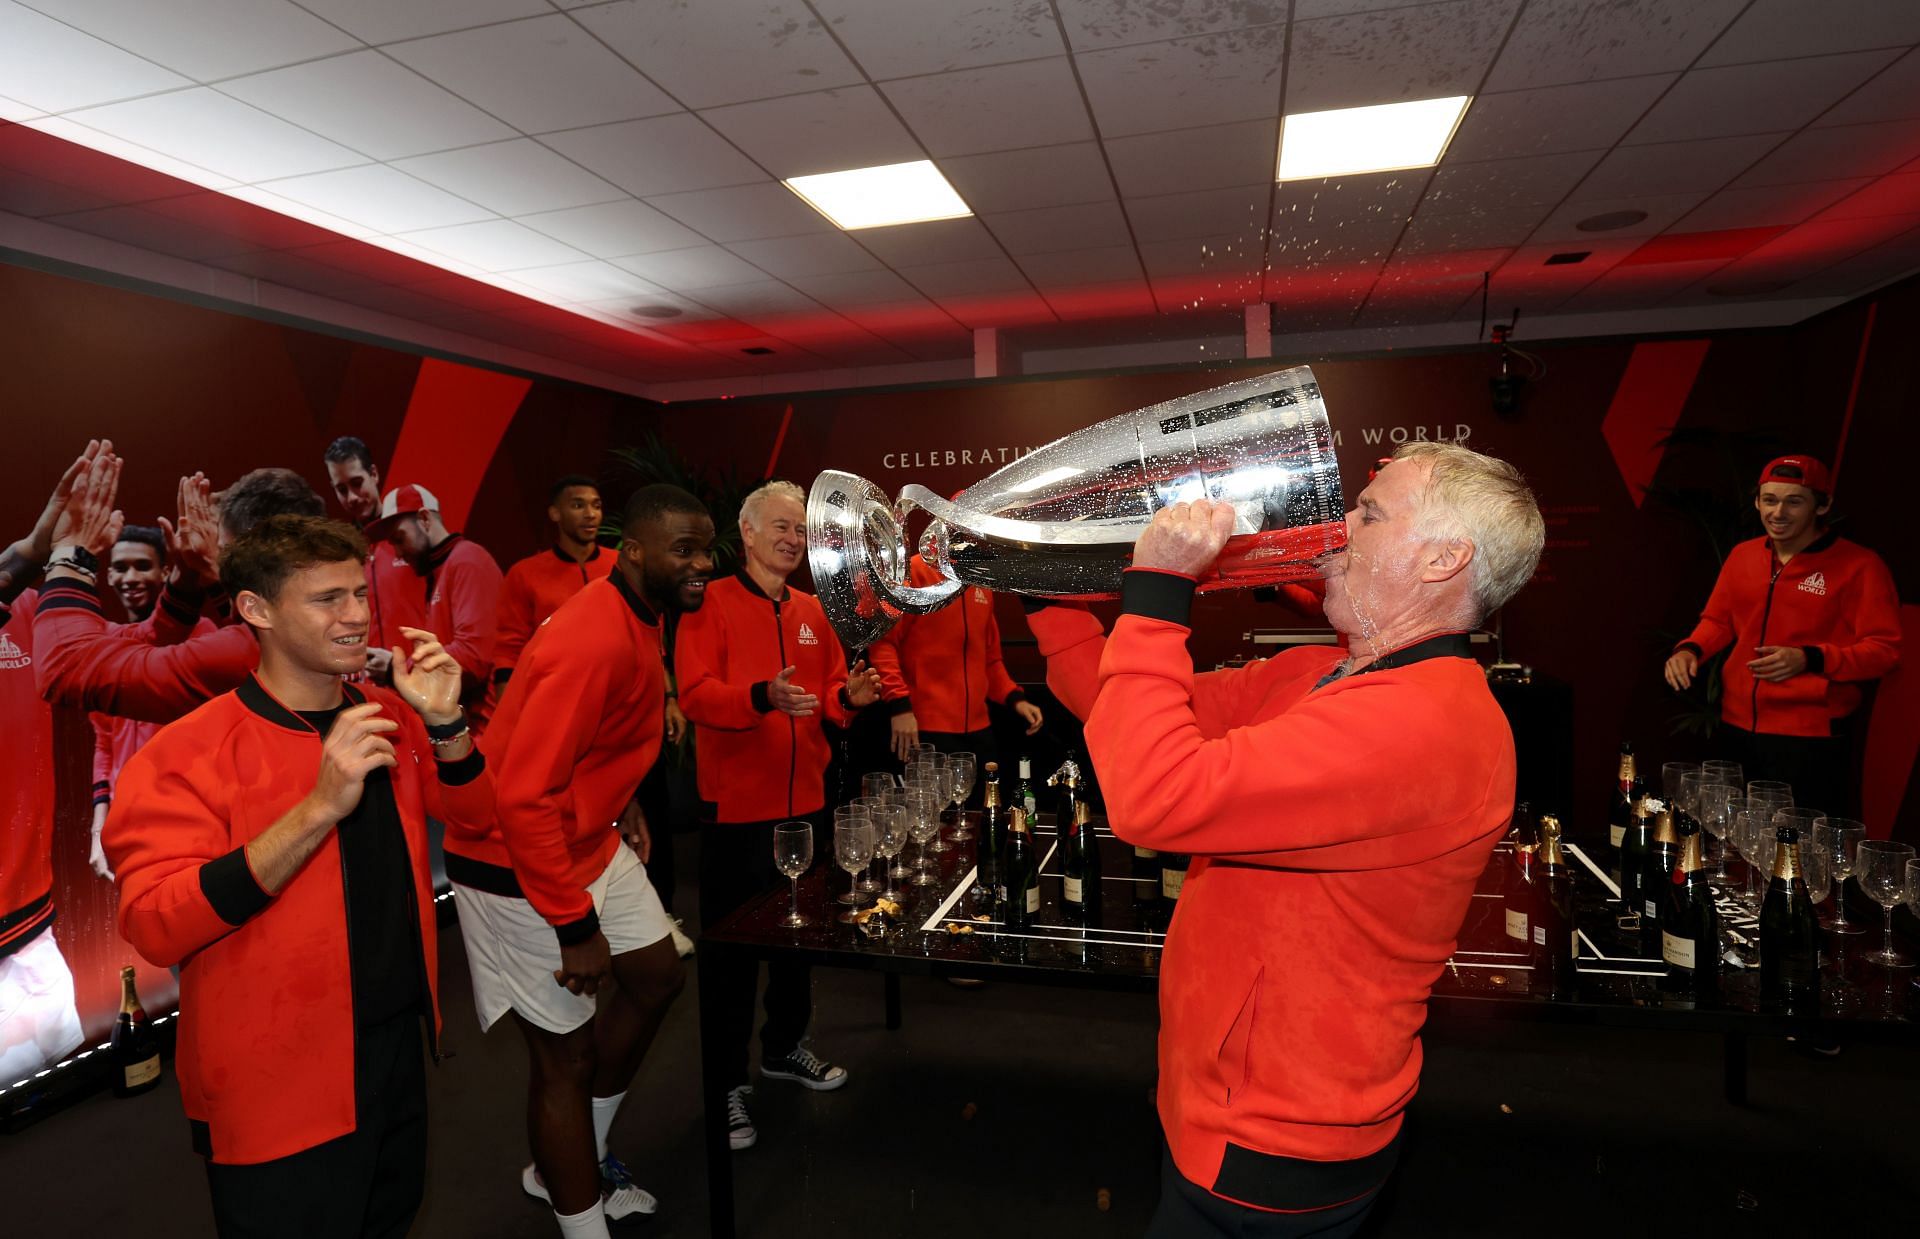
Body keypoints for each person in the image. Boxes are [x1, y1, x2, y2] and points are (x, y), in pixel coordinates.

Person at [1026, 442, 1544, 1237]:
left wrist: (1161, 587)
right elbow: (1118, 704)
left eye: (1368, 513)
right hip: (1227, 1103)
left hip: (1277, 1140)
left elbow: (1151, 796)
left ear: (1443, 558)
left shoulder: (1422, 723)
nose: (1339, 528)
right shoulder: (1325, 673)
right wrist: (1035, 578)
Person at [101, 514, 494, 1238]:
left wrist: (446, 726)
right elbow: (154, 922)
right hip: (273, 1081)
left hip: (395, 1051)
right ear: (255, 609)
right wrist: (316, 809)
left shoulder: (384, 716)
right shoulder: (187, 750)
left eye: (357, 593)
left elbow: (475, 816)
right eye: (326, 599)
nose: (355, 616)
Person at [444, 484, 707, 1237]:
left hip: (586, 836)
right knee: (567, 1057)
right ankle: (578, 1210)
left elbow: (585, 742)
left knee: (657, 976)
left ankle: (577, 1156)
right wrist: (573, 924)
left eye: (704, 548)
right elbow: (523, 796)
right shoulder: (592, 636)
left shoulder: (639, 614)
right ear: (632, 551)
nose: (699, 564)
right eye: (680, 549)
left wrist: (620, 797)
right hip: (516, 861)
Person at [674, 480, 881, 1151]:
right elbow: (698, 694)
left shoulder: (812, 610)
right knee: (732, 957)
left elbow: (824, 698)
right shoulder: (709, 605)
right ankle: (726, 1082)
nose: (793, 537)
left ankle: (786, 1046)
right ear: (748, 533)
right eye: (781, 526)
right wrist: (761, 696)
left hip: (807, 805)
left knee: (799, 940)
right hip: (736, 813)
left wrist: (845, 697)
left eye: (800, 528)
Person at [1664, 455, 1900, 817]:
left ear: (1823, 505)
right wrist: (1690, 650)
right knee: (1739, 836)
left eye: (1795, 501)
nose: (1779, 512)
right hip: (1737, 726)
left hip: (1810, 737)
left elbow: (1884, 650)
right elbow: (1719, 620)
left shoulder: (1861, 566)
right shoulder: (1743, 556)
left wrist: (1809, 657)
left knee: (1802, 846)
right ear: (1757, 502)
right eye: (1770, 500)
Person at [36, 461, 328, 722]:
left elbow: (65, 669)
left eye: (223, 552)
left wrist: (70, 553)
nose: (217, 563)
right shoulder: (321, 620)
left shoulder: (241, 652)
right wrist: (192, 578)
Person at [0, 445, 97, 1085]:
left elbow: (111, 660)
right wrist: (34, 548)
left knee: (63, 1063)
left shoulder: (30, 613)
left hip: (28, 898)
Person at [88, 525, 216, 880]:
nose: (131, 577)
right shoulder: (103, 645)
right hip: (128, 825)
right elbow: (104, 744)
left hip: (192, 819)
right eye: (121, 567)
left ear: (165, 572)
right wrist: (99, 831)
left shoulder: (201, 636)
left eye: (143, 566)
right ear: (109, 574)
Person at [867, 552, 1043, 775]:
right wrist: (899, 706)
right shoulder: (913, 572)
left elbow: (990, 659)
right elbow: (883, 645)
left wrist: (1015, 698)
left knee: (985, 806)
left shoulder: (980, 580)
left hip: (980, 730)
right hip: (923, 728)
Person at [369, 483, 502, 728]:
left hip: (485, 729)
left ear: (424, 518)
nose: (397, 553)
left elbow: (473, 658)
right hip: (464, 726)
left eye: (399, 539)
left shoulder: (468, 561)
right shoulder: (441, 569)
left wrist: (396, 669)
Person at [324, 436, 427, 683]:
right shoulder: (341, 553)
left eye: (357, 483)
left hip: (420, 679)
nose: (352, 498)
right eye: (341, 489)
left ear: (374, 474)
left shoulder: (415, 538)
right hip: (369, 692)